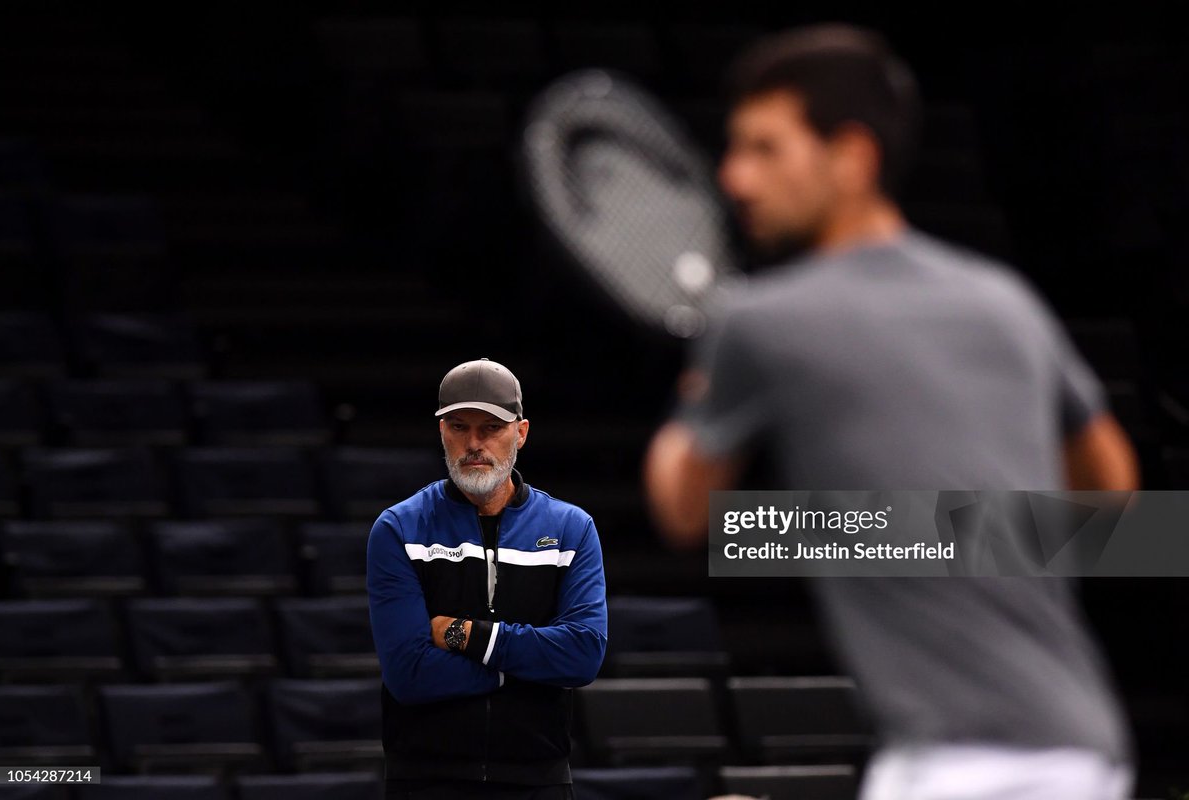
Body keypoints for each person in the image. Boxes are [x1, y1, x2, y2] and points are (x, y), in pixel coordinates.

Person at [644, 24, 1140, 800]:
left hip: (960, 767)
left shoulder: (760, 320)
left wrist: (701, 390)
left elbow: (682, 509)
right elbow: (1115, 506)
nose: (735, 178)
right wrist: (937, 531)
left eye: (766, 149)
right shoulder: (1005, 301)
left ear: (852, 157)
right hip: (1082, 749)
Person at [367, 358, 608, 799]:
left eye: (491, 428)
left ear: (521, 432)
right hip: (424, 780)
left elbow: (582, 655)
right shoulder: (399, 529)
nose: (474, 443)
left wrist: (463, 634)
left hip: (539, 780)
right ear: (441, 431)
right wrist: (526, 668)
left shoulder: (573, 529)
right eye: (459, 427)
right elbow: (408, 673)